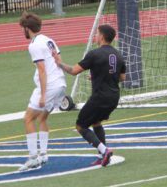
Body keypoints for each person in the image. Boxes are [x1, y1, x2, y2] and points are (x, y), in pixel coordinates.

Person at [53, 24, 126, 167]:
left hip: (100, 97)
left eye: (97, 34)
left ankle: (104, 151)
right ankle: (103, 156)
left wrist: (59, 63)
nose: (95, 36)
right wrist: (99, 76)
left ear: (102, 37)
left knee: (81, 126)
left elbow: (74, 71)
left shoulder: (94, 54)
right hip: (114, 97)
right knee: (96, 122)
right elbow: (122, 78)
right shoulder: (118, 54)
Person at [18, 11, 66, 171]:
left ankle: (33, 157)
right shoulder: (48, 40)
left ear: (27, 28)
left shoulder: (34, 45)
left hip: (49, 86)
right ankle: (43, 154)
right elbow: (58, 60)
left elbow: (42, 70)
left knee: (28, 118)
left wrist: (43, 95)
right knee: (43, 118)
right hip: (60, 84)